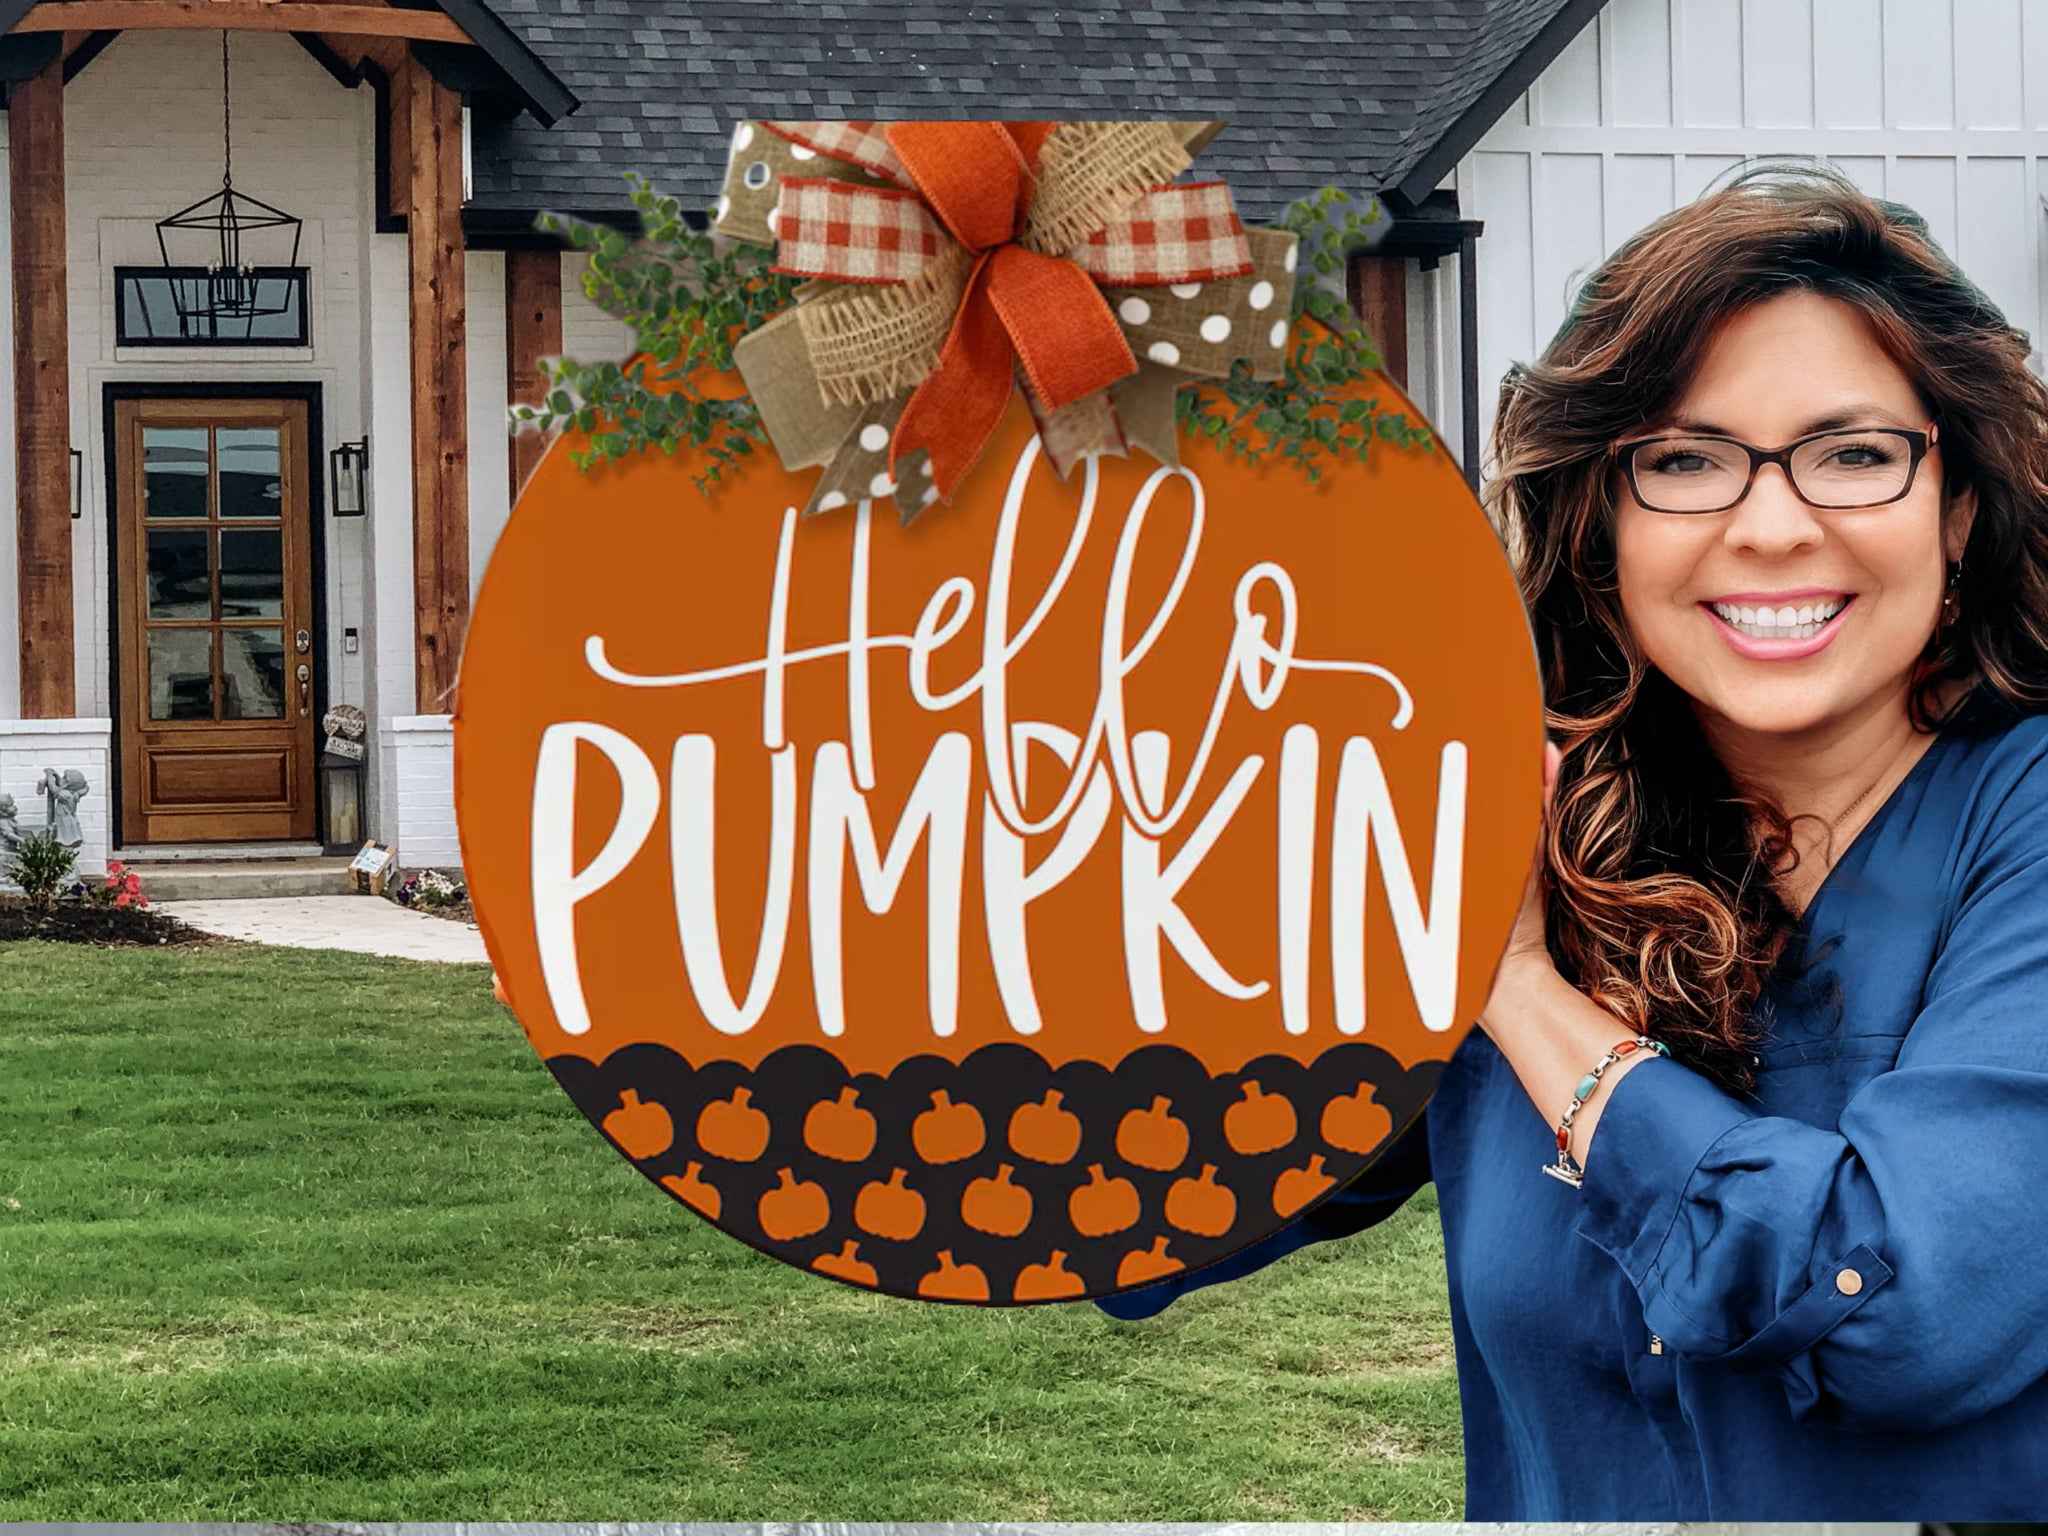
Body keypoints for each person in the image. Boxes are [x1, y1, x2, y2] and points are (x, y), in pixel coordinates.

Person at [1100, 165, 2048, 1520]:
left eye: (1853, 455)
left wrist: (1517, 988)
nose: (1772, 527)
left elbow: (1901, 1315)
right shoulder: (1519, 813)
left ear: (1957, 510)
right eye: (1684, 461)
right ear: (1603, 523)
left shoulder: (2019, 828)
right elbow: (1150, 1205)